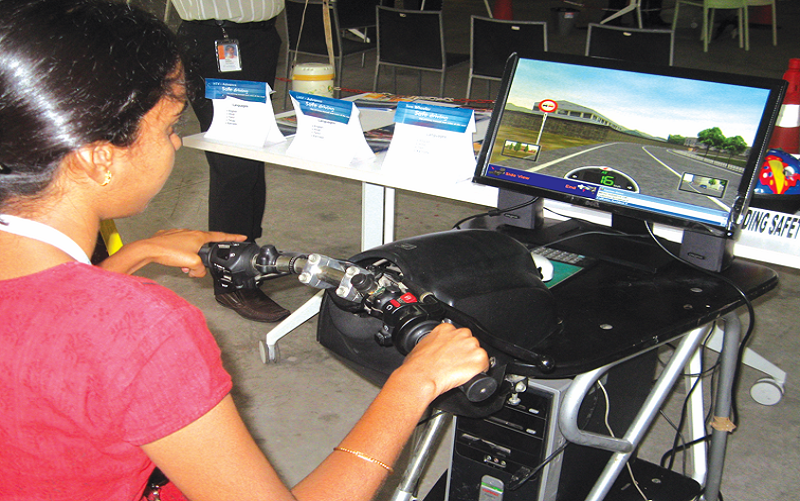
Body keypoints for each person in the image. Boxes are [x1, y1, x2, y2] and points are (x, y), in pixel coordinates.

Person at [0, 1, 489, 500]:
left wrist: (131, 256)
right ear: (99, 158)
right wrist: (414, 384)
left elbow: (40, 323)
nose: (175, 143)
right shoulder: (144, 330)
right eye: (170, 126)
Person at [170, 0, 290, 323]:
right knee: (232, 158)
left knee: (252, 149)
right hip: (218, 36)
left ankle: (247, 255)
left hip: (259, 37)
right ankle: (230, 278)